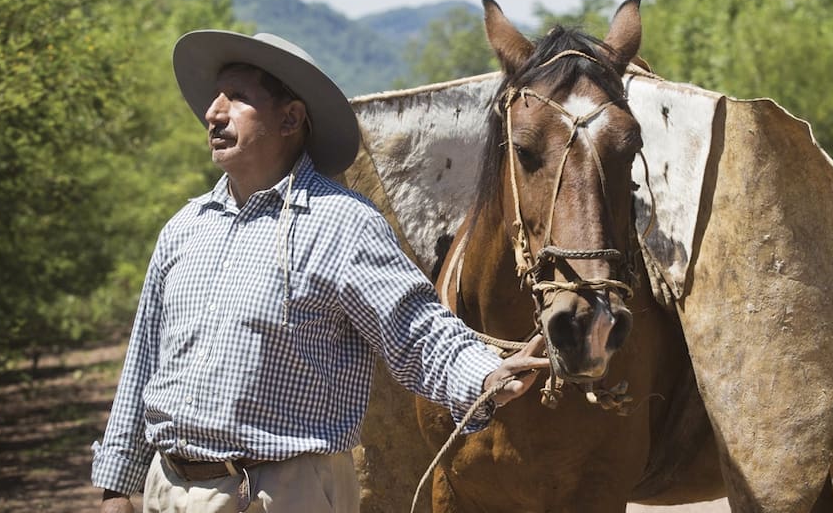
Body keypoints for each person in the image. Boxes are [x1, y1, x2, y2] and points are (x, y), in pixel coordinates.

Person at [91, 30, 548, 512]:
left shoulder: (342, 223)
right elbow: (143, 362)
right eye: (215, 99)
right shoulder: (185, 228)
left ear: (291, 118)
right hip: (169, 491)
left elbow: (415, 329)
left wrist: (482, 375)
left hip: (280, 493)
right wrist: (117, 486)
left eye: (238, 98)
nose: (213, 112)